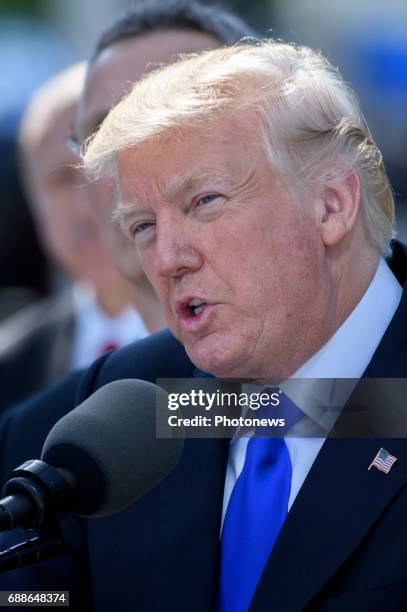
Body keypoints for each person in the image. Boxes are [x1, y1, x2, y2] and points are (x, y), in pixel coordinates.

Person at [1, 37, 406, 610]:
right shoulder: (116, 412)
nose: (167, 259)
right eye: (142, 226)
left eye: (205, 202)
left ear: (331, 206)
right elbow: (35, 598)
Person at [0, 0, 258, 474]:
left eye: (182, 124)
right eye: (105, 135)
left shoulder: (352, 382)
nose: (136, 168)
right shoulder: (34, 435)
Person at [0, 62, 162, 413]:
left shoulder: (228, 335)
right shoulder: (11, 364)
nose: (86, 206)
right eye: (60, 179)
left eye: (104, 168)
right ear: (33, 202)